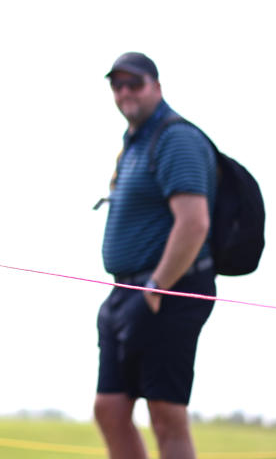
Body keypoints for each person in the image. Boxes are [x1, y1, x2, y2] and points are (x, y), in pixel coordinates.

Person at [94, 52, 217, 459]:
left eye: (135, 83)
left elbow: (194, 223)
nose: (125, 91)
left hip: (170, 288)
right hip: (127, 290)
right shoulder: (134, 142)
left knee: (165, 413)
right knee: (110, 409)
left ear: (157, 86)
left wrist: (153, 290)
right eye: (117, 84)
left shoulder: (175, 137)